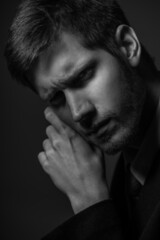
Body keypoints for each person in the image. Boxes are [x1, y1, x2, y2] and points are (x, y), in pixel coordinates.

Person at [4, 0, 160, 239]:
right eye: (57, 97)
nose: (78, 113)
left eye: (83, 76)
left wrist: (91, 207)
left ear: (128, 46)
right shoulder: (130, 176)